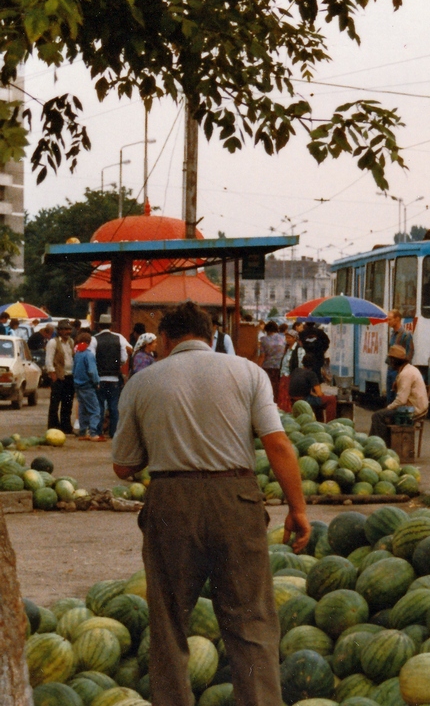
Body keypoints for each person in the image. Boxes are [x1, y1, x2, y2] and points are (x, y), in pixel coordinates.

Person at [111, 300, 309, 706]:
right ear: (211, 336)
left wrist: (165, 439)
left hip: (171, 503)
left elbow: (123, 467)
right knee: (251, 621)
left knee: (168, 623)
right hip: (235, 498)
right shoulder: (248, 372)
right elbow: (277, 443)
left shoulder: (142, 382)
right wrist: (298, 509)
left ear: (164, 339)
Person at [369, 344, 429, 445]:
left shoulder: (405, 374)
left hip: (412, 411)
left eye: (391, 360)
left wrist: (388, 408)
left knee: (378, 416)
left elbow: (401, 400)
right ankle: (373, 443)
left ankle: (382, 446)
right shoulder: (410, 369)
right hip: (417, 407)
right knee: (382, 414)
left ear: (394, 361)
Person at [90, 317, 131, 439]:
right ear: (111, 326)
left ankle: (98, 431)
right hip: (114, 377)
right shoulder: (119, 338)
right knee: (114, 406)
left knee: (99, 406)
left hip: (100, 378)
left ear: (99, 326)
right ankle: (114, 432)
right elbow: (124, 357)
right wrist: (117, 363)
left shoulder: (94, 339)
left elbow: (91, 358)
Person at [72, 332, 104, 440]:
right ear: (89, 342)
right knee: (95, 410)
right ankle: (93, 432)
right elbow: (92, 371)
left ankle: (83, 431)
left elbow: (74, 369)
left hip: (78, 385)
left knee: (83, 409)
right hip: (87, 385)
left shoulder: (77, 354)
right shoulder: (89, 355)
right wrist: (97, 382)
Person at [46, 322, 75, 434]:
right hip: (58, 376)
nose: (68, 332)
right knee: (55, 403)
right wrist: (53, 374)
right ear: (59, 331)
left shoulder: (71, 342)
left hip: (69, 376)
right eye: (65, 329)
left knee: (68, 403)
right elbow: (49, 360)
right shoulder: (53, 343)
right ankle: (53, 426)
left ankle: (66, 426)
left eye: (69, 329)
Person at [385, 310, 413, 402]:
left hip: (398, 371)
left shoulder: (406, 335)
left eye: (390, 319)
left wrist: (402, 370)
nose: (388, 322)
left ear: (397, 319)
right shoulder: (393, 334)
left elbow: (410, 353)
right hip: (390, 368)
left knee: (397, 396)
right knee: (389, 397)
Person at [257, 321, 285, 387]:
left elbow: (262, 356)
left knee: (267, 386)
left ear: (267, 330)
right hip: (280, 365)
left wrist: (257, 367)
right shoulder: (283, 338)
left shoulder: (264, 340)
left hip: (267, 366)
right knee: (277, 385)